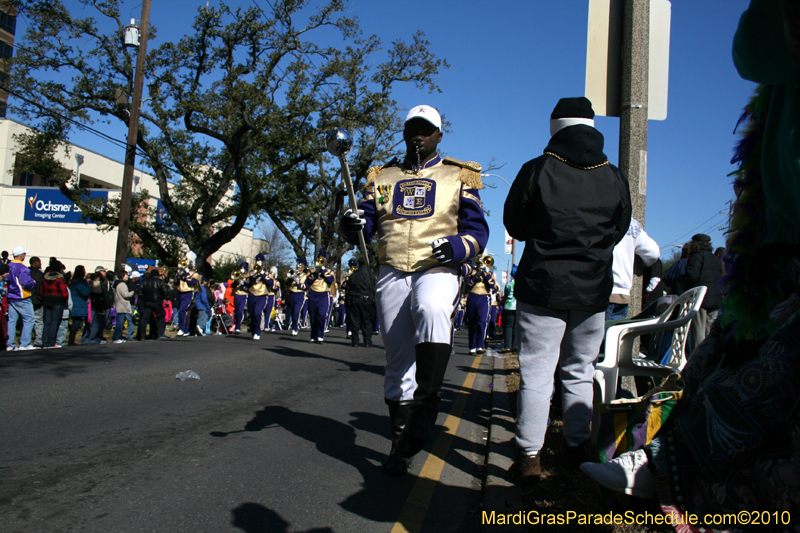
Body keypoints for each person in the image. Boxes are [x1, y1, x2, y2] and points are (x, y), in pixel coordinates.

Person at [340, 104, 489, 475]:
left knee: (432, 307)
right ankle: (400, 444)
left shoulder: (459, 176)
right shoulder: (382, 176)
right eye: (412, 129)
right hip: (391, 268)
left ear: (439, 135)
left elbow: (478, 231)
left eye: (425, 130)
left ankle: (428, 401)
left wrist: (456, 248)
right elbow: (364, 224)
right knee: (396, 359)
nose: (417, 136)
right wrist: (352, 222)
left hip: (437, 267)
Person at [503, 97, 631, 484]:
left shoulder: (537, 169)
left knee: (539, 373)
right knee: (580, 369)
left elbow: (516, 224)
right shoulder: (614, 175)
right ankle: (577, 448)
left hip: (543, 284)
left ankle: (529, 457)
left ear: (554, 128)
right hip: (593, 289)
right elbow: (619, 227)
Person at [607, 218, 661, 320]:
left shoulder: (590, 213)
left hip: (597, 291)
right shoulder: (630, 222)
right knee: (614, 334)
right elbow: (653, 253)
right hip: (622, 294)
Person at [679, 233, 723, 348]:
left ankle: (697, 359)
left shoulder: (696, 256)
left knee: (698, 331)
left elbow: (692, 276)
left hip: (701, 300)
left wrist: (682, 280)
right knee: (710, 332)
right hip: (715, 300)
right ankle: (709, 359)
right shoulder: (715, 259)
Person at [6, 246, 37, 350]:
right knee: (29, 319)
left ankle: (10, 344)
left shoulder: (9, 265)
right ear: (21, 255)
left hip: (11, 296)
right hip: (22, 297)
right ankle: (25, 344)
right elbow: (25, 282)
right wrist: (33, 282)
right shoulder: (22, 267)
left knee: (12, 320)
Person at [306, 249, 335, 344]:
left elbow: (330, 280)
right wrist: (315, 273)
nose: (320, 261)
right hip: (313, 294)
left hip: (323, 294)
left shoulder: (329, 271)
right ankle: (313, 336)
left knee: (322, 315)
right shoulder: (313, 271)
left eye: (322, 260)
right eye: (319, 260)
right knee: (313, 316)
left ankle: (320, 335)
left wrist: (323, 271)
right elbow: (308, 281)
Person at [346, 258, 375, 347]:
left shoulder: (353, 276)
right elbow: (374, 288)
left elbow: (348, 290)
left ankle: (355, 341)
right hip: (366, 300)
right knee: (366, 321)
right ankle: (367, 341)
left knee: (355, 322)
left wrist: (348, 302)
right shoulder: (371, 276)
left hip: (355, 300)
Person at [39, 260, 69, 348]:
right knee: (54, 323)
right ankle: (51, 342)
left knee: (47, 323)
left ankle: (45, 342)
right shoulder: (60, 279)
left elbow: (41, 291)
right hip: (57, 302)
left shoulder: (45, 278)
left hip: (47, 301)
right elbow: (64, 293)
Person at [137, 268, 169, 340]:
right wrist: (161, 297)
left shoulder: (145, 282)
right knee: (161, 317)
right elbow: (166, 292)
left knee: (144, 319)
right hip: (157, 302)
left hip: (147, 303)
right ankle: (160, 334)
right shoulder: (160, 282)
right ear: (157, 275)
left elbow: (140, 292)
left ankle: (142, 336)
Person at [176, 251, 200, 336]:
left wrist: (186, 273)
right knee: (182, 311)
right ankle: (185, 330)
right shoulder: (182, 272)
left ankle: (182, 329)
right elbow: (176, 284)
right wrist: (178, 275)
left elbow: (191, 283)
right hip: (180, 292)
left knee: (183, 309)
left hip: (188, 293)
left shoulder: (195, 274)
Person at [285, 257, 309, 336]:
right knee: (292, 311)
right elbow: (287, 283)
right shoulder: (294, 273)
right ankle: (294, 325)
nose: (298, 268)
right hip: (292, 293)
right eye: (298, 266)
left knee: (296, 311)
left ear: (303, 268)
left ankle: (295, 328)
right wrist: (291, 278)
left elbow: (306, 286)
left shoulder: (305, 276)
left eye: (300, 267)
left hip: (300, 294)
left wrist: (299, 282)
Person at [68, 266, 91, 346]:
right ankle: (71, 340)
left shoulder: (73, 281)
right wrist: (90, 287)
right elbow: (84, 292)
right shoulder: (80, 282)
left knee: (76, 323)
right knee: (76, 323)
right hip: (79, 304)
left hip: (76, 303)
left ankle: (71, 340)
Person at [112, 269, 135, 343]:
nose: (127, 277)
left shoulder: (118, 284)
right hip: (122, 306)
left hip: (121, 305)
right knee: (120, 322)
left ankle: (119, 336)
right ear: (123, 276)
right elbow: (125, 294)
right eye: (126, 275)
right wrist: (131, 293)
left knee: (121, 322)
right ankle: (116, 337)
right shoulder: (122, 284)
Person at [500, 265, 519, 353]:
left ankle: (507, 346)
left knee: (508, 326)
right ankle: (514, 345)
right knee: (515, 326)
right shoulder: (520, 283)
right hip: (517, 306)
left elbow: (506, 294)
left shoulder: (508, 283)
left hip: (508, 306)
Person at [29, 256, 44, 348]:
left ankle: (25, 339)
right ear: (35, 263)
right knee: (38, 321)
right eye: (39, 262)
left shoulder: (26, 272)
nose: (40, 264)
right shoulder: (39, 275)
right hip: (37, 300)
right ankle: (38, 341)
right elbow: (40, 289)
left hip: (26, 299)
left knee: (26, 320)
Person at [232, 261, 249, 333]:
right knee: (236, 311)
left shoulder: (248, 276)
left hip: (243, 295)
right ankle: (237, 324)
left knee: (240, 311)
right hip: (236, 294)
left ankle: (238, 326)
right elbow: (232, 286)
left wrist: (243, 284)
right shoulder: (238, 275)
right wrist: (236, 281)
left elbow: (248, 286)